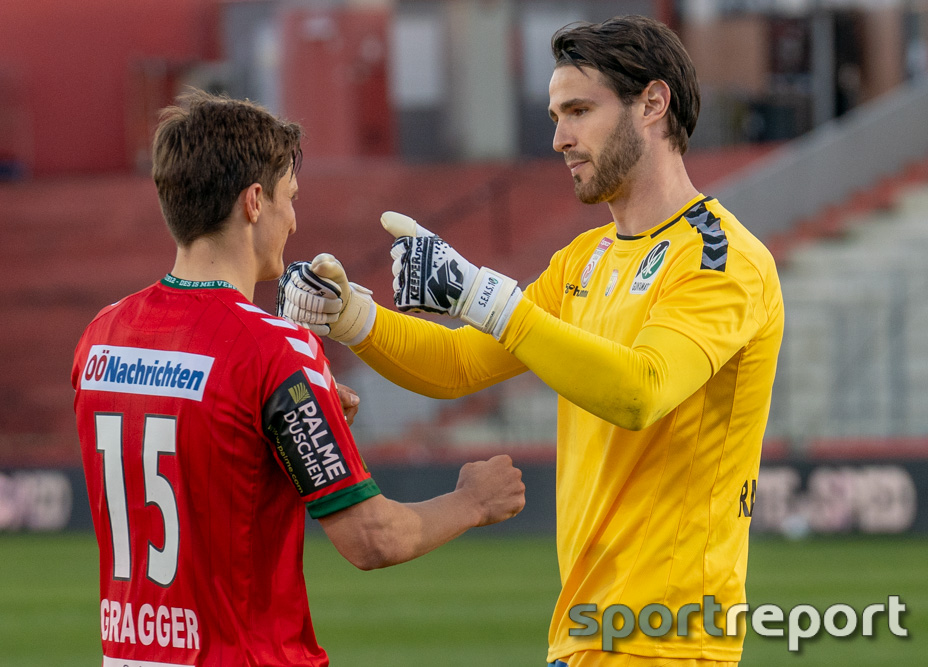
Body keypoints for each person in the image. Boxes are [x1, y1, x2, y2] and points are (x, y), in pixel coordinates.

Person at [278, 15, 783, 667]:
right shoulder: (585, 259)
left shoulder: (722, 258)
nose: (559, 137)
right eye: (555, 114)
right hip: (586, 632)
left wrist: (483, 296)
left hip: (668, 638)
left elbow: (642, 390)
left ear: (653, 104)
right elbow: (459, 362)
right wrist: (351, 317)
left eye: (579, 110)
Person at [70, 89, 526, 667]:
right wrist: (473, 502)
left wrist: (286, 429)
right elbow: (372, 540)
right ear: (254, 202)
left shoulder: (101, 334)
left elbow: (201, 454)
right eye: (290, 198)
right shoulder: (274, 348)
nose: (294, 219)